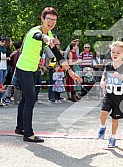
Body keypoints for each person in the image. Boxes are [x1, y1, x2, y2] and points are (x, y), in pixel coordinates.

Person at [14, 7, 82, 143]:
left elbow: (57, 55)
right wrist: (46, 38)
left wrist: (70, 72)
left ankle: (20, 127)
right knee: (30, 100)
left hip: (33, 69)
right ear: (42, 19)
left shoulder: (50, 34)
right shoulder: (35, 31)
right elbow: (40, 36)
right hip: (24, 69)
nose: (51, 22)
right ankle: (28, 134)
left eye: (54, 20)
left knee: (25, 99)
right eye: (49, 19)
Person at [98, 41, 123, 148]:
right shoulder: (108, 66)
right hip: (109, 95)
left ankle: (113, 137)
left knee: (114, 119)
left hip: (120, 98)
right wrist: (102, 82)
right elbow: (104, 76)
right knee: (103, 113)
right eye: (113, 52)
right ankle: (102, 126)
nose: (115, 54)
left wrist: (121, 77)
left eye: (118, 52)